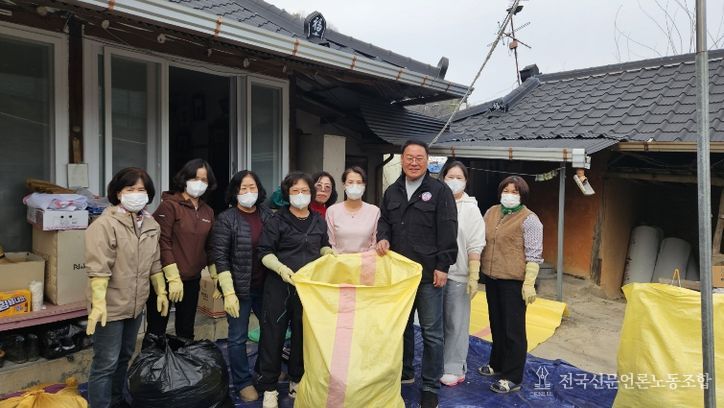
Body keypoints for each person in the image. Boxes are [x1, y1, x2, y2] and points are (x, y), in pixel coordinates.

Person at [376, 140, 458, 408]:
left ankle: (431, 385)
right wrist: (383, 238)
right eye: (409, 157)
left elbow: (448, 229)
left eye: (419, 158)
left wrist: (443, 266)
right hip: (399, 275)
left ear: (427, 161)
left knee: (432, 332)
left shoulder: (439, 191)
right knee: (401, 328)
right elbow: (384, 221)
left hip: (428, 274)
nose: (413, 162)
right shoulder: (392, 191)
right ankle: (405, 371)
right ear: (402, 160)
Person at [85, 167, 165, 408]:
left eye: (141, 189)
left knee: (124, 357)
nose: (137, 194)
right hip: (110, 307)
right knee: (106, 362)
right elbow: (99, 268)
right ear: (119, 193)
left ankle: (116, 400)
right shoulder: (105, 225)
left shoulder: (151, 225)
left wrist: (161, 291)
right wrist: (98, 303)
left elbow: (155, 262)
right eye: (131, 189)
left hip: (135, 305)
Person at [256, 171, 332, 408]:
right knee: (273, 336)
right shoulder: (277, 220)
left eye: (305, 191)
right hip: (279, 287)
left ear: (311, 193)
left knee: (303, 334)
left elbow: (323, 245)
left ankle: (296, 379)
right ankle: (269, 388)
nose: (300, 195)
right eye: (295, 191)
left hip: (308, 289)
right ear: (287, 194)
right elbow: (264, 252)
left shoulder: (318, 220)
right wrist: (280, 268)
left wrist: (329, 254)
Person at [209, 170, 273, 402]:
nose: (248, 192)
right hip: (238, 289)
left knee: (271, 332)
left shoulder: (267, 215)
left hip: (266, 287)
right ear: (235, 192)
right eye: (243, 188)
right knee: (237, 337)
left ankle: (265, 373)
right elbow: (220, 256)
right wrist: (228, 292)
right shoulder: (227, 219)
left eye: (252, 187)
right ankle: (243, 382)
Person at [477, 175, 543, 394]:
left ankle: (512, 377)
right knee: (496, 324)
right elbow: (480, 239)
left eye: (515, 192)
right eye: (506, 191)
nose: (510, 195)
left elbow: (534, 254)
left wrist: (529, 283)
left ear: (523, 195)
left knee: (513, 330)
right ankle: (497, 363)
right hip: (491, 277)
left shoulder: (530, 219)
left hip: (514, 282)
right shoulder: (491, 212)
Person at [146, 159, 216, 342]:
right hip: (165, 279)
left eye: (204, 180)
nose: (199, 183)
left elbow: (210, 245)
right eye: (194, 178)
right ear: (184, 179)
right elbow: (163, 242)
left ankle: (181, 361)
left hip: (192, 279)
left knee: (186, 332)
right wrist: (172, 277)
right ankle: (153, 361)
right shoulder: (169, 206)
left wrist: (216, 275)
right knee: (156, 332)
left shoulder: (208, 212)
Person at [439, 161, 486, 387]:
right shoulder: (436, 201)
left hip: (458, 274)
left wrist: (474, 275)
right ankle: (437, 363)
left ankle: (454, 367)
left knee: (456, 323)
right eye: (451, 177)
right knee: (435, 323)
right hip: (436, 272)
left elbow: (475, 243)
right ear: (443, 178)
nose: (454, 181)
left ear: (466, 182)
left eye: (459, 178)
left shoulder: (470, 209)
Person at [325, 166, 380, 254]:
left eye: (359, 182)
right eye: (350, 182)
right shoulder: (332, 211)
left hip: (366, 260)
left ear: (364, 186)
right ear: (344, 185)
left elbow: (375, 243)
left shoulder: (374, 211)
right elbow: (330, 243)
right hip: (339, 260)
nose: (355, 186)